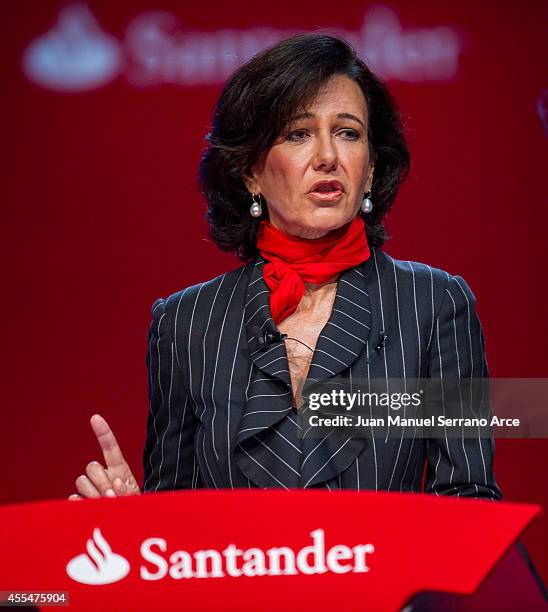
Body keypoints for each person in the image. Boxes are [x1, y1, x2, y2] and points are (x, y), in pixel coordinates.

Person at [69, 32, 502, 501]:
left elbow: (469, 499)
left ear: (372, 168)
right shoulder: (187, 324)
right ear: (251, 171)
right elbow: (176, 521)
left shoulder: (433, 306)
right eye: (299, 134)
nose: (328, 158)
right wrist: (135, 523)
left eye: (348, 133)